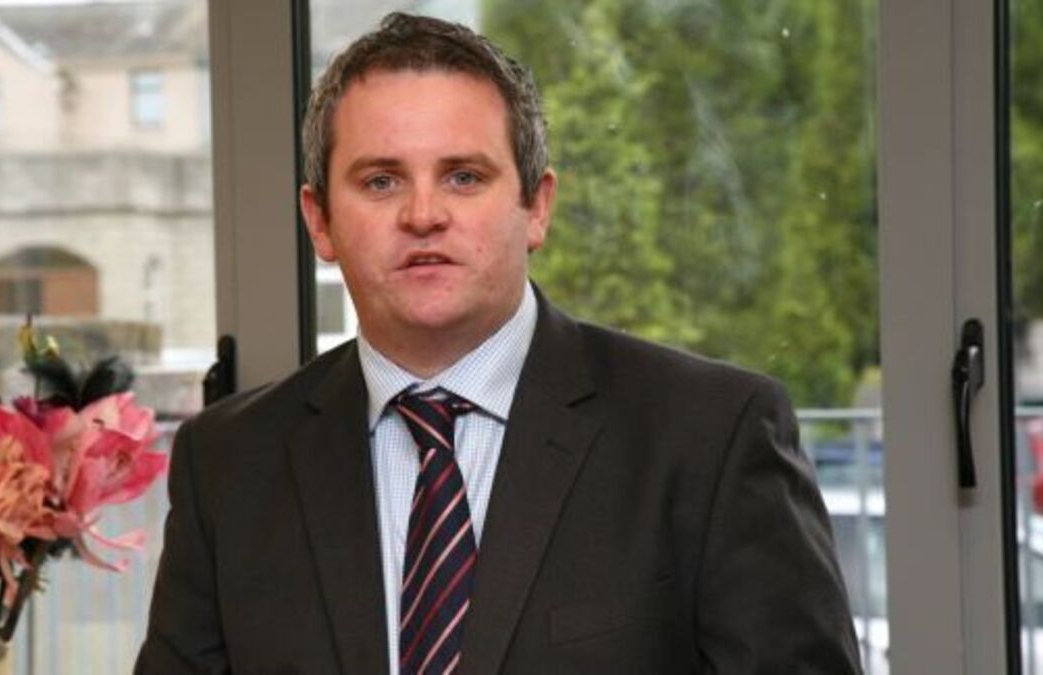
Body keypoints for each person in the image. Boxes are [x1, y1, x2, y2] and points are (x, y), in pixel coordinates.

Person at [135, 12, 862, 675]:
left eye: (464, 176)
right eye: (381, 181)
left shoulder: (710, 436)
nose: (424, 214)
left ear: (536, 207)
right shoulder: (227, 465)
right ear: (319, 220)